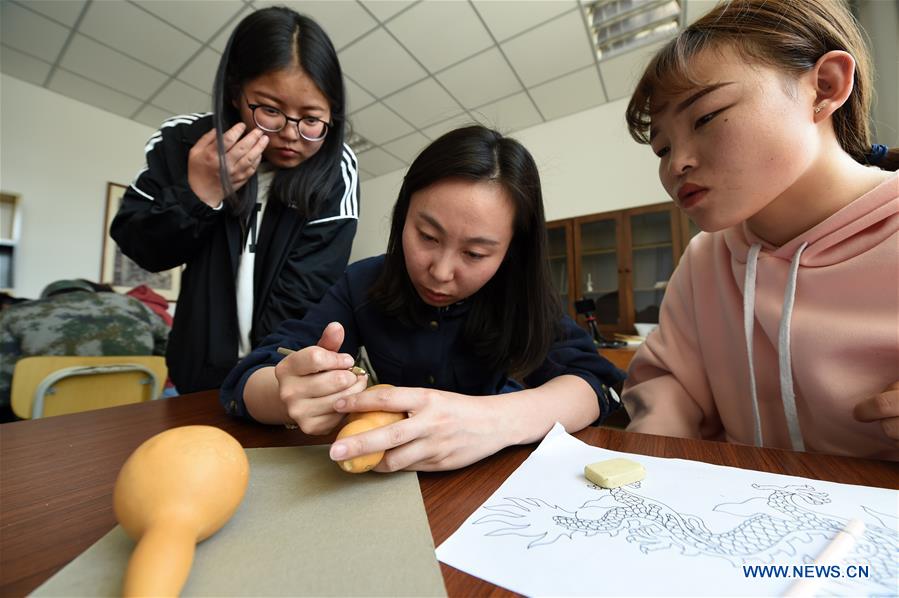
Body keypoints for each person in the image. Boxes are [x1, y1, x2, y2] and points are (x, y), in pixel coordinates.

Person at [220, 125, 626, 471]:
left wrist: (494, 421)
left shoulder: (520, 298)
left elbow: (600, 387)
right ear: (403, 215)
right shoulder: (362, 282)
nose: (441, 271)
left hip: (489, 489)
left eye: (475, 253)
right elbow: (249, 376)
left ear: (510, 251)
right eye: (427, 237)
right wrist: (287, 394)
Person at [621, 0, 898, 460]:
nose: (677, 164)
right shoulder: (704, 259)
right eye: (662, 148)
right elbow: (671, 384)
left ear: (825, 87)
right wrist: (649, 455)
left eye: (706, 117)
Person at [111, 7, 359, 394]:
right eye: (271, 110)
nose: (291, 134)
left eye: (311, 118)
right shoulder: (183, 140)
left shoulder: (337, 167)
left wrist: (256, 383)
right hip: (192, 378)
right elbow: (141, 246)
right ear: (234, 92)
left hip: (277, 379)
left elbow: (305, 293)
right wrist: (202, 192)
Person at [0, 279, 169, 422]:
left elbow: (3, 383)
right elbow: (167, 350)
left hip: (44, 419)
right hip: (128, 413)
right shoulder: (134, 306)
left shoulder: (16, 314)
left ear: (46, 297)